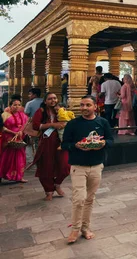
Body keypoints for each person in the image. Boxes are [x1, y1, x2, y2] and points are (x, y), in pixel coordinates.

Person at [62, 95, 113, 244]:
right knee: (79, 199)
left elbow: (110, 140)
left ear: (95, 107)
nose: (84, 108)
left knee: (89, 199)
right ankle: (75, 229)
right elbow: (65, 144)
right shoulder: (73, 124)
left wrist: (103, 143)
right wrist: (76, 145)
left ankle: (85, 228)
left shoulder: (102, 122)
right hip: (78, 166)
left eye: (88, 105)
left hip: (96, 165)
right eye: (82, 105)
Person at [31, 93, 70, 200]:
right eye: (49, 99)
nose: (53, 100)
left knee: (66, 166)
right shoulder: (41, 111)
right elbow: (36, 126)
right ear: (45, 101)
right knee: (46, 167)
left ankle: (57, 184)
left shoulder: (60, 109)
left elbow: (68, 120)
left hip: (61, 141)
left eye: (54, 98)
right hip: (46, 142)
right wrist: (52, 125)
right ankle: (49, 191)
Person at [0, 97, 28, 182]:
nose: (17, 107)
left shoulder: (23, 115)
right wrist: (13, 132)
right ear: (10, 105)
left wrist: (21, 132)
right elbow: (2, 127)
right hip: (8, 140)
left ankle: (19, 176)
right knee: (6, 158)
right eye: (14, 105)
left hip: (19, 140)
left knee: (20, 158)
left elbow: (26, 124)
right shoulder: (5, 115)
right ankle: (3, 174)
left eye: (19, 105)